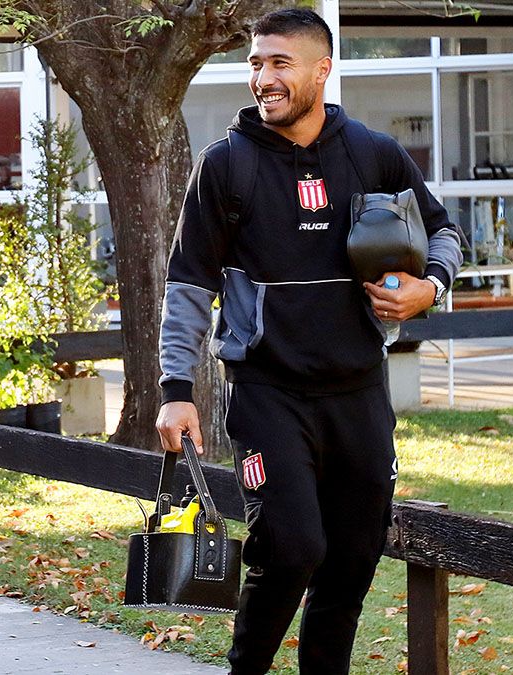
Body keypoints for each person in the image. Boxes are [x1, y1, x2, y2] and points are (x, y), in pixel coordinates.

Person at [156, 9, 463, 674]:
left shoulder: (372, 153)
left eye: (278, 63)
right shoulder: (226, 167)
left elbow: (445, 232)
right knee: (291, 548)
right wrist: (175, 391)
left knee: (352, 561)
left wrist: (428, 287)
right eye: (256, 64)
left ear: (322, 70)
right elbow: (187, 285)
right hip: (268, 392)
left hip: (359, 392)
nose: (263, 77)